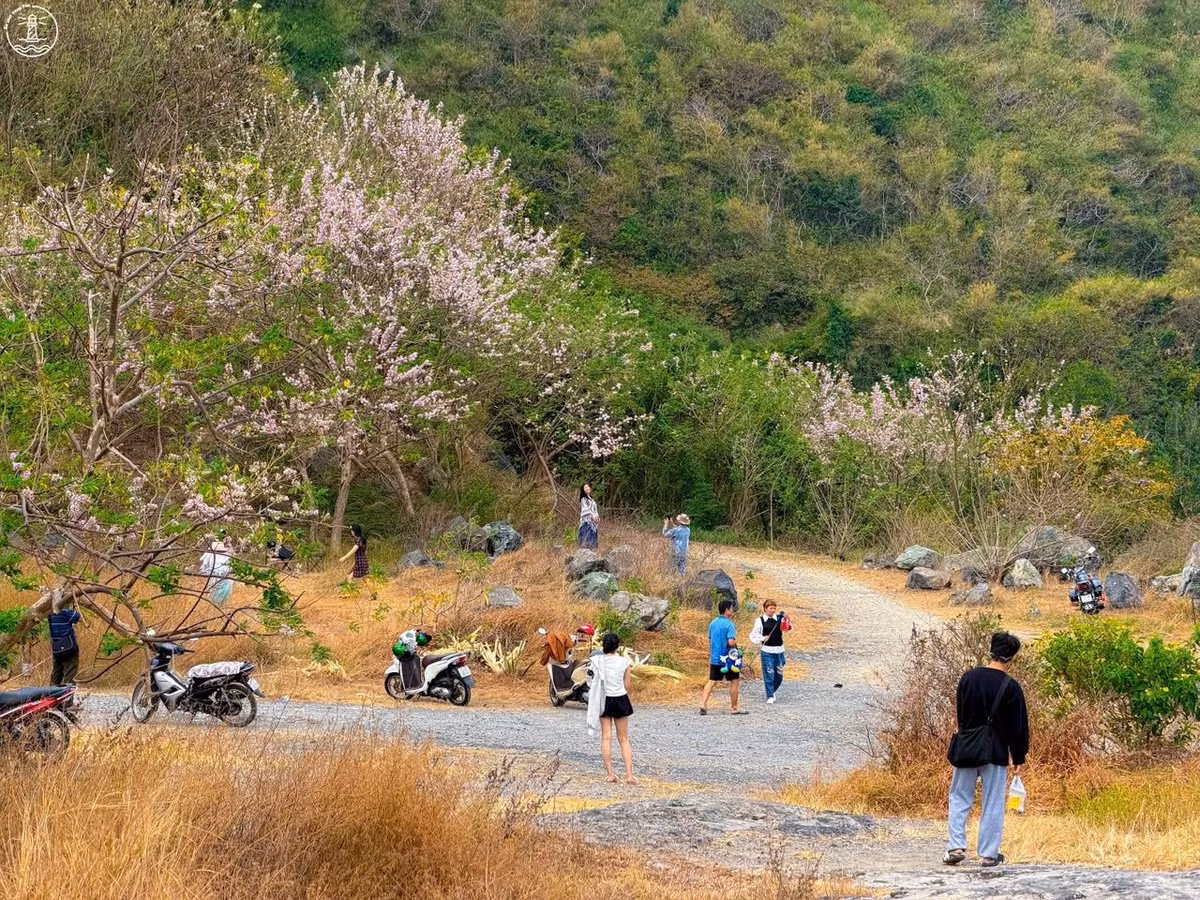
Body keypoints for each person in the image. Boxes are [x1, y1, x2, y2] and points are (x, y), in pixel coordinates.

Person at [944, 631, 1030, 868]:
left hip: (968, 747)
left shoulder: (968, 678)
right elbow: (1018, 726)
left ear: (991, 650)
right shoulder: (1011, 686)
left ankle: (956, 846)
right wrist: (1019, 755)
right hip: (997, 751)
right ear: (1012, 657)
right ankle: (989, 854)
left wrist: (967, 736)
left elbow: (961, 714)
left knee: (960, 797)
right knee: (992, 802)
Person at [585, 632, 637, 784]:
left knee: (606, 737)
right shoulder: (624, 662)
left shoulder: (596, 661)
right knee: (624, 739)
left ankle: (610, 774)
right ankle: (629, 775)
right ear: (617, 647)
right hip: (620, 698)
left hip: (603, 699)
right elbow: (627, 685)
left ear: (603, 646)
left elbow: (590, 680)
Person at [700, 599, 745, 716]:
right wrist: (736, 645)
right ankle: (734, 707)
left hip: (715, 657)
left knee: (712, 681)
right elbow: (730, 642)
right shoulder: (729, 624)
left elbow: (710, 639)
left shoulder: (712, 623)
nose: (733, 610)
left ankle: (703, 704)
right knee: (734, 681)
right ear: (726, 610)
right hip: (728, 659)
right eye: (731, 608)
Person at [750, 599, 788, 704]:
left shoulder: (779, 619)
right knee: (769, 673)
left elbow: (787, 628)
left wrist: (786, 622)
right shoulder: (760, 621)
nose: (773, 610)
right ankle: (770, 694)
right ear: (765, 609)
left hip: (779, 650)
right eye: (770, 608)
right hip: (767, 651)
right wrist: (762, 638)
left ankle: (773, 690)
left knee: (779, 675)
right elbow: (753, 635)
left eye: (774, 608)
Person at [47, 599, 81, 686]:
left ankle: (52, 695)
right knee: (70, 674)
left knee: (56, 674)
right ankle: (67, 697)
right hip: (69, 648)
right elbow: (76, 616)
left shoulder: (51, 615)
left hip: (56, 649)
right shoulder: (65, 613)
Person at [199, 539, 233, 606]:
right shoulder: (225, 555)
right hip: (218, 578)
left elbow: (204, 568)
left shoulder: (225, 556)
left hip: (221, 579)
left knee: (218, 595)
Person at [578, 483, 599, 549]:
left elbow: (595, 509)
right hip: (587, 522)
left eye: (588, 487)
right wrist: (592, 516)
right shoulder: (584, 499)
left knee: (592, 539)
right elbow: (585, 509)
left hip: (593, 522)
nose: (587, 488)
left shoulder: (591, 499)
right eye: (585, 488)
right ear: (583, 490)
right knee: (586, 539)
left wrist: (597, 516)